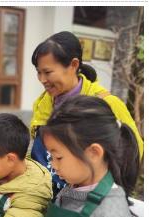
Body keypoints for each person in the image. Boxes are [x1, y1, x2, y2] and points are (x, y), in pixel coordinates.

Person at [29, 31, 142, 197]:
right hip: (46, 196)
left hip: (87, 201)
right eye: (39, 72)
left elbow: (132, 154)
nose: (42, 79)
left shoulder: (106, 103)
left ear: (73, 65)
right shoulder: (42, 104)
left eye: (47, 72)